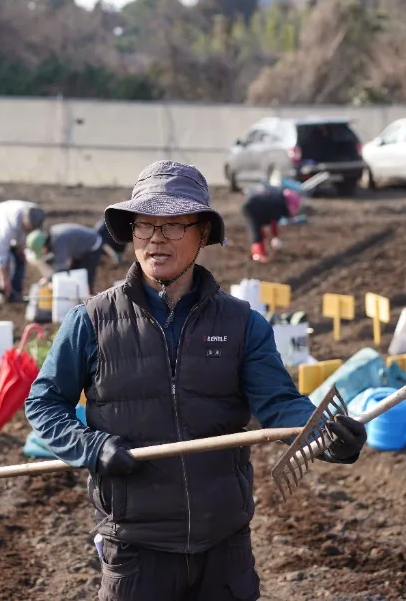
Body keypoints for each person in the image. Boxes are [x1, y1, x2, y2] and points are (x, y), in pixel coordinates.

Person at [24, 160, 367, 601]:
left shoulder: (241, 322)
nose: (155, 240)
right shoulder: (92, 321)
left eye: (172, 226)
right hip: (136, 545)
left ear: (202, 233)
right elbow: (44, 404)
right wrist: (90, 446)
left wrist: (324, 435)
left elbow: (281, 405)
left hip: (223, 545)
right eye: (144, 226)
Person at [0, 200, 45, 303]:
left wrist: (22, 246)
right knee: (5, 260)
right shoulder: (6, 227)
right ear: (24, 223)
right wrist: (3, 277)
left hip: (17, 232)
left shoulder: (36, 214)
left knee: (20, 258)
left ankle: (16, 292)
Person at [26, 222, 105, 294]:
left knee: (84, 278)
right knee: (74, 275)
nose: (42, 254)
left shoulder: (59, 242)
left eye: (41, 251)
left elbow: (61, 268)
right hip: (77, 248)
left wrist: (49, 279)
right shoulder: (51, 236)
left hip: (92, 246)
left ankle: (88, 298)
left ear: (44, 245)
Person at [239, 185, 301, 263]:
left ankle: (261, 251)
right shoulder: (279, 205)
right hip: (252, 209)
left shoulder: (278, 199)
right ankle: (258, 255)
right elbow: (272, 222)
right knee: (256, 231)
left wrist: (274, 236)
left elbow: (272, 221)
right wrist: (275, 236)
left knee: (260, 231)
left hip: (256, 207)